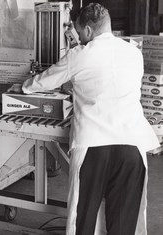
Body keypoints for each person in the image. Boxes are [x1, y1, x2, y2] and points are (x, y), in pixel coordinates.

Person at [8, 3, 159, 235]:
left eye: (78, 32)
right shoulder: (133, 52)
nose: (77, 37)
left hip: (94, 148)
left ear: (88, 30)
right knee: (124, 222)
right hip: (132, 146)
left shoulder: (79, 54)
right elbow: (112, 85)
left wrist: (24, 87)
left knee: (84, 220)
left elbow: (47, 79)